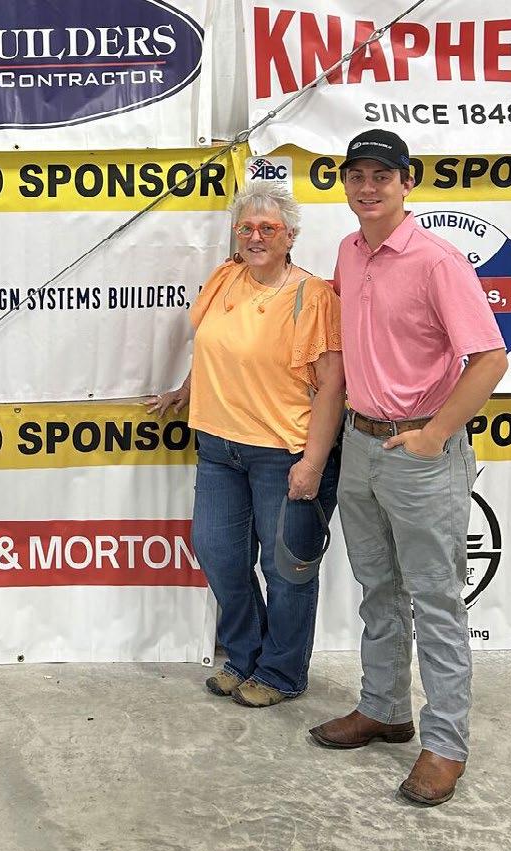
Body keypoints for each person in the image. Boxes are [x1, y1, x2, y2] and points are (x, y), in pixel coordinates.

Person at [309, 130, 508, 806]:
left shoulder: (437, 261)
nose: (367, 188)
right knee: (378, 588)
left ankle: (446, 744)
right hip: (360, 443)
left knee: (437, 600)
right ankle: (385, 708)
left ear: (406, 183)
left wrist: (436, 434)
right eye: (357, 175)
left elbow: (490, 359)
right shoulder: (349, 251)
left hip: (419, 453)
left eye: (382, 176)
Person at [149, 182, 345, 708]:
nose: (255, 237)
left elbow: (333, 387)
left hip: (283, 452)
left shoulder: (313, 296)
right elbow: (215, 346)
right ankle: (244, 656)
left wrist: (313, 462)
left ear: (290, 236)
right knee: (220, 555)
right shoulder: (226, 277)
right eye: (246, 227)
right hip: (218, 445)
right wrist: (186, 389)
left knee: (287, 570)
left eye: (268, 228)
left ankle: (281, 673)